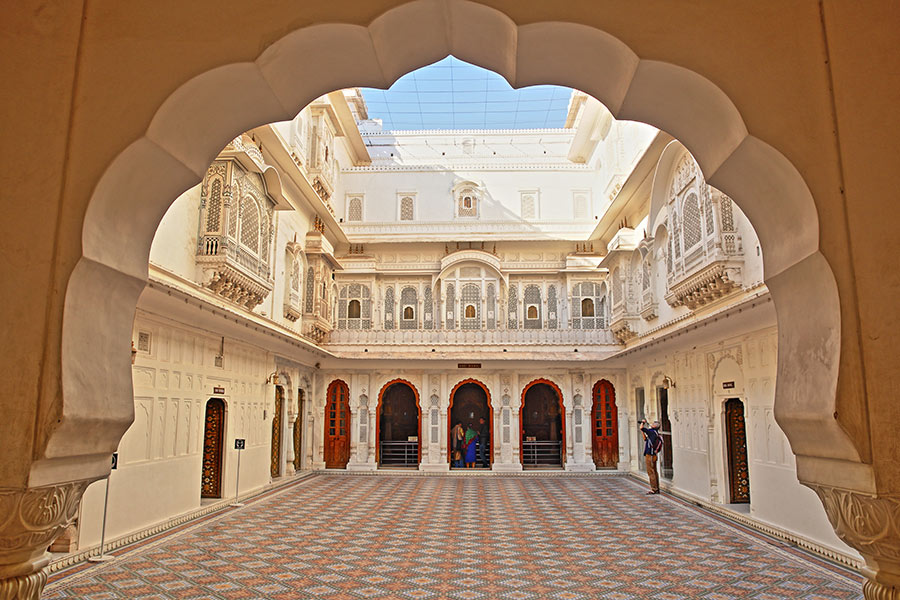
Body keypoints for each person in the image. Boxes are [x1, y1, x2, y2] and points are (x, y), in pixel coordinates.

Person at [640, 419, 662, 494]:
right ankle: (656, 488)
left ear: (654, 426)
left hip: (650, 455)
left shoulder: (652, 432)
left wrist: (643, 422)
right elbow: (645, 439)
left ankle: (654, 489)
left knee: (651, 472)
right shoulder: (654, 433)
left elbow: (641, 428)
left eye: (653, 424)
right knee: (654, 471)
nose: (651, 424)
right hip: (654, 455)